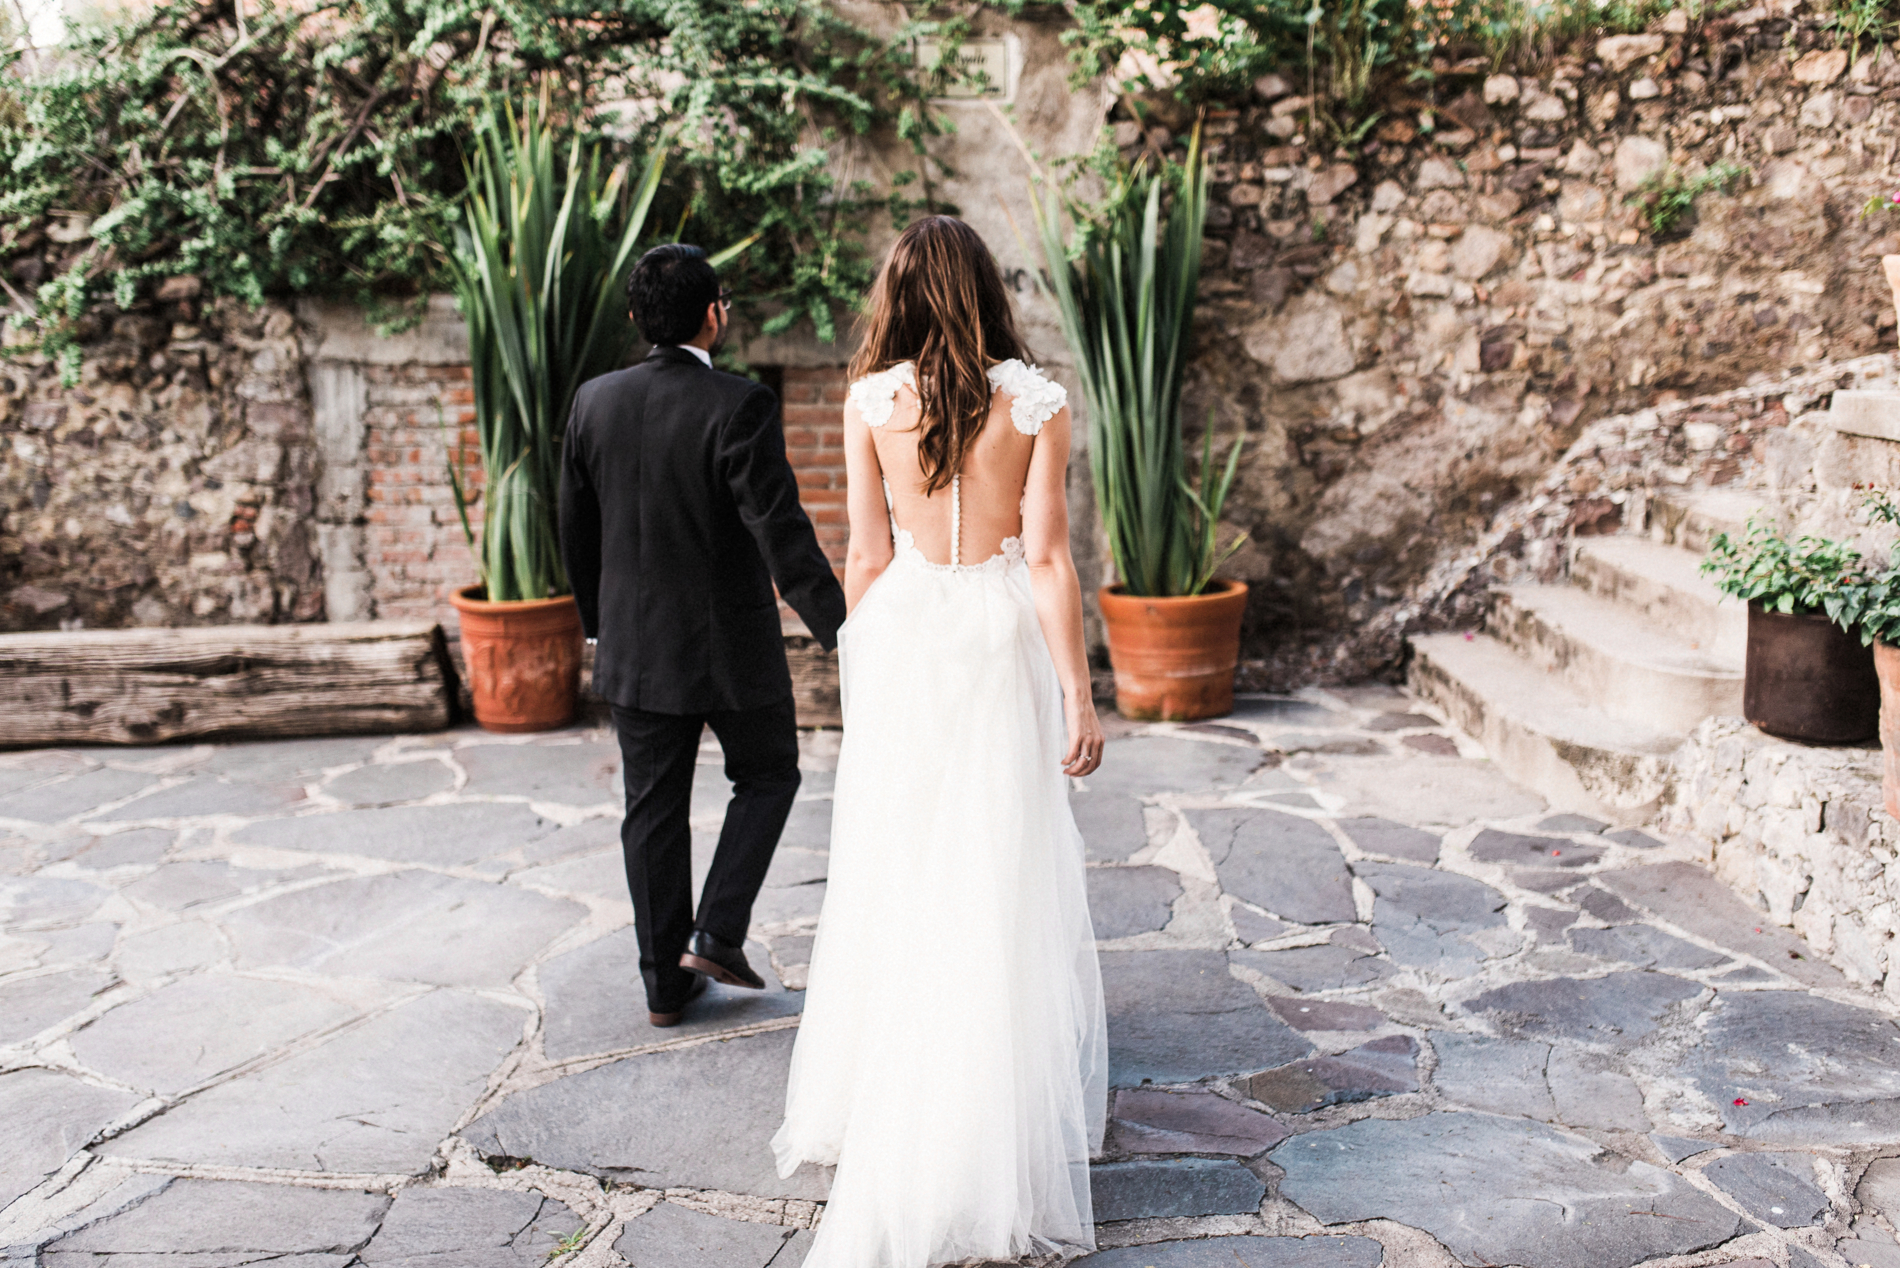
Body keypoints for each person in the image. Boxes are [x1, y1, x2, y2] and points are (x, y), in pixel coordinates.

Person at [771, 216, 1108, 1266]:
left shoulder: (871, 401)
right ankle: (984, 1112)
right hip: (997, 632)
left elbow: (865, 556)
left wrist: (857, 680)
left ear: (901, 293)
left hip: (908, 639)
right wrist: (1078, 694)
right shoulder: (1037, 401)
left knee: (899, 865)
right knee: (995, 865)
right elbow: (1048, 559)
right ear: (986, 288)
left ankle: (892, 1086)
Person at [558, 244, 846, 1028]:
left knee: (650, 811)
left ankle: (664, 988)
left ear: (634, 318)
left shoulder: (593, 402)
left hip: (635, 649)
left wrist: (597, 628)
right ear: (714, 312)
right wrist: (844, 630)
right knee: (769, 775)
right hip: (731, 650)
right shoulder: (738, 404)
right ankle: (716, 932)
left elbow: (576, 533)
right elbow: (779, 530)